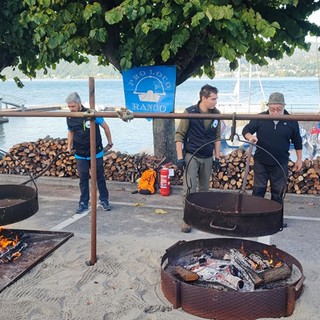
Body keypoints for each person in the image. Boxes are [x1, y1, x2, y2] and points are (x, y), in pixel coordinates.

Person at [242, 92, 303, 207]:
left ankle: (276, 219)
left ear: (283, 107)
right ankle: (255, 216)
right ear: (268, 107)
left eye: (278, 109)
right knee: (258, 191)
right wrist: (250, 137)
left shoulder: (292, 121)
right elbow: (246, 129)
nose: (275, 112)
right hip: (261, 161)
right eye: (272, 109)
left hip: (281, 162)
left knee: (278, 193)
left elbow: (297, 141)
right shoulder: (260, 118)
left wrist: (299, 159)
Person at [175, 84, 221, 233]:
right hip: (192, 155)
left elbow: (217, 138)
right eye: (213, 99)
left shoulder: (217, 114)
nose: (215, 102)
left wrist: (217, 158)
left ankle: (202, 218)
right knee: (189, 188)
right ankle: (187, 219)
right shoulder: (189, 112)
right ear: (203, 98)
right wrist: (180, 157)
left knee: (204, 190)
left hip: (207, 156)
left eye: (216, 99)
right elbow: (179, 135)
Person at [66, 92, 113, 214]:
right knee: (83, 179)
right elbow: (70, 132)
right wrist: (68, 146)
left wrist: (110, 142)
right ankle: (83, 203)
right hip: (80, 152)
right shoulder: (69, 117)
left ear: (79, 104)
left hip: (95, 151)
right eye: (69, 107)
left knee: (99, 177)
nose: (71, 109)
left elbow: (105, 127)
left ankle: (104, 200)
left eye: (73, 106)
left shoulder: (91, 114)